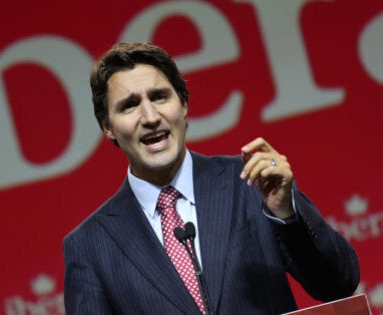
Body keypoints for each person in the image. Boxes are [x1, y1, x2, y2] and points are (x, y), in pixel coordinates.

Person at [62, 42, 359, 314]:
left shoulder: (250, 182)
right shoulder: (90, 245)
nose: (150, 117)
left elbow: (338, 283)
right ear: (108, 128)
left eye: (160, 97)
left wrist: (286, 212)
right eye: (129, 105)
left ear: (184, 104)